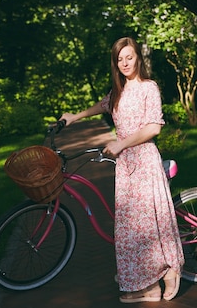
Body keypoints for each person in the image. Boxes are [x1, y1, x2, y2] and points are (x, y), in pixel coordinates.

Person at [60, 36, 184, 303]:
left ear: (138, 57)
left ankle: (170, 271)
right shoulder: (119, 91)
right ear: (115, 63)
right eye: (120, 59)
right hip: (125, 164)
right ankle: (146, 284)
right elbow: (101, 105)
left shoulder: (148, 88)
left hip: (143, 160)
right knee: (130, 228)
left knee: (149, 224)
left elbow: (153, 128)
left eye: (130, 57)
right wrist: (75, 117)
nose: (125, 62)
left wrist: (120, 143)